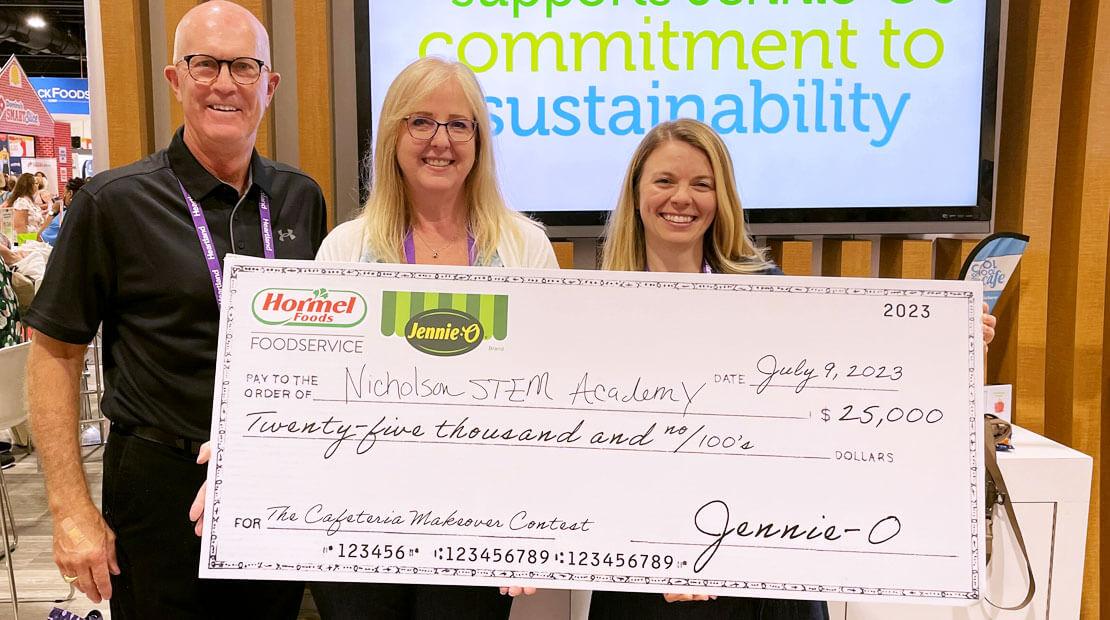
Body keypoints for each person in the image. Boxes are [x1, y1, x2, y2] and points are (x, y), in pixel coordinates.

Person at [190, 55, 558, 619]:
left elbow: (550, 393)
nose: (441, 140)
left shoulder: (524, 247)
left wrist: (530, 512)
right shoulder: (346, 246)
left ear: (479, 140)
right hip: (357, 520)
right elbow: (309, 379)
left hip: (476, 524)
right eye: (420, 122)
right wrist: (248, 447)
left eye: (459, 124)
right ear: (392, 134)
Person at [590, 119, 997, 619]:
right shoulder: (597, 306)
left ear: (722, 199)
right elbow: (598, 452)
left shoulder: (772, 291)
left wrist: (944, 341)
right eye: (664, 181)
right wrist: (662, 549)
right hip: (646, 572)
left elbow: (842, 386)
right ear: (635, 194)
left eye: (702, 184)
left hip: (765, 568)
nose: (682, 198)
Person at [25, 2, 327, 617]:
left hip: (273, 475)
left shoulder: (301, 198)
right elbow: (54, 356)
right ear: (175, 79)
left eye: (243, 67)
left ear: (268, 86)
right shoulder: (114, 202)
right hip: (159, 481)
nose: (224, 83)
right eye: (204, 64)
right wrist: (71, 510)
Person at [38, 177, 87, 246]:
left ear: (70, 193)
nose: (62, 196)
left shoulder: (63, 217)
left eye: (64, 192)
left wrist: (52, 212)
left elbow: (40, 238)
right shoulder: (87, 212)